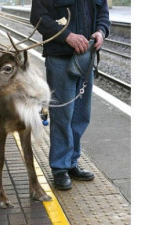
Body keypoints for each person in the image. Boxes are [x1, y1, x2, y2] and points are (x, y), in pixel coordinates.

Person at [30, 0, 110, 190]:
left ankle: (71, 162)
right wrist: (67, 36)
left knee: (81, 115)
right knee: (62, 116)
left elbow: (103, 13)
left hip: (86, 58)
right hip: (60, 59)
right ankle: (59, 168)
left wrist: (101, 31)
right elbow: (38, 16)